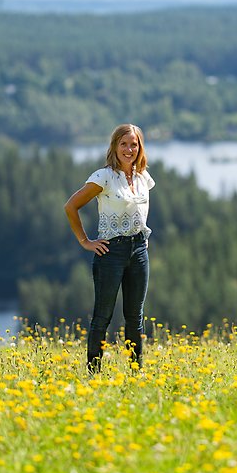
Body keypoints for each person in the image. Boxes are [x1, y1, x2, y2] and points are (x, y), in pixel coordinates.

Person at [64, 124, 155, 373]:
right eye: (123, 144)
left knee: (135, 317)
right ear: (114, 146)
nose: (129, 149)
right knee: (102, 316)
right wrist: (85, 241)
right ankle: (94, 374)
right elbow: (71, 206)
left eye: (134, 144)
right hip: (110, 253)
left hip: (139, 251)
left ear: (140, 147)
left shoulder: (142, 177)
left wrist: (141, 239)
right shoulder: (103, 177)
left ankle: (136, 373)